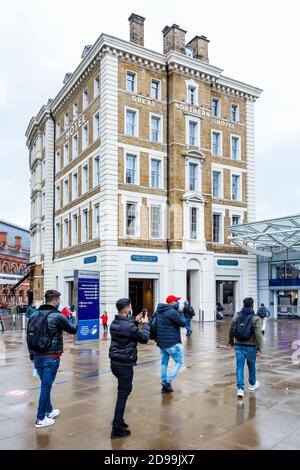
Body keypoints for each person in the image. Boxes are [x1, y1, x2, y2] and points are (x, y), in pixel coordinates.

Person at [27, 289, 78, 428]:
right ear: (55, 302)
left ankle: (49, 411)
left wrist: (32, 355)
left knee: (45, 385)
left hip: (37, 356)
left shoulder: (35, 314)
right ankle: (40, 418)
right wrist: (73, 316)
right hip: (51, 357)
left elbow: (29, 336)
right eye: (59, 301)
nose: (59, 303)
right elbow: (73, 329)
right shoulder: (58, 316)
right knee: (46, 388)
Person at [109, 298, 150, 439]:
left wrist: (135, 322)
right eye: (130, 306)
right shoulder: (127, 326)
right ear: (126, 310)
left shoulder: (114, 323)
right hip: (124, 364)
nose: (132, 308)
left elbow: (125, 332)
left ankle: (118, 419)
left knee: (125, 391)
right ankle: (116, 428)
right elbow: (144, 338)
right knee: (123, 394)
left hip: (115, 363)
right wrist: (145, 324)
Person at [229, 297, 262, 398]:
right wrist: (259, 348)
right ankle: (252, 384)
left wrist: (231, 341)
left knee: (239, 366)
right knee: (251, 365)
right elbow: (258, 334)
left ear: (243, 304)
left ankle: (240, 389)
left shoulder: (237, 315)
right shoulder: (255, 318)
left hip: (238, 345)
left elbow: (231, 328)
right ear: (252, 305)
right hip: (251, 346)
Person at [154, 295, 186, 394]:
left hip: (161, 342)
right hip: (171, 342)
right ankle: (168, 381)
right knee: (179, 362)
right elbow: (183, 323)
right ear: (172, 302)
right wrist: (181, 312)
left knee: (164, 363)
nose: (178, 303)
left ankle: (164, 384)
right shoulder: (172, 312)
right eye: (176, 301)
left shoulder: (159, 311)